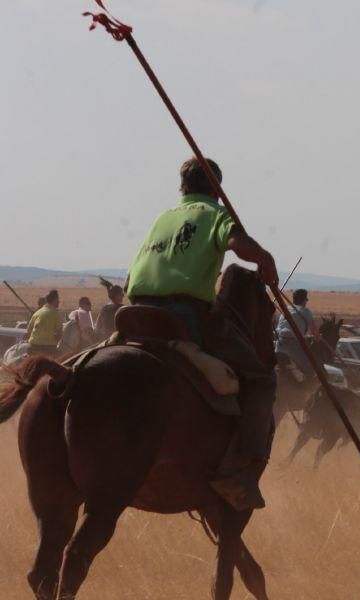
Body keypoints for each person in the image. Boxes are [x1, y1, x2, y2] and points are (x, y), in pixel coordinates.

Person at [125, 157, 278, 511]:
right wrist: (265, 258)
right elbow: (239, 245)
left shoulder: (162, 218)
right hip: (183, 315)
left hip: (134, 314)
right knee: (261, 378)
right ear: (216, 189)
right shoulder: (215, 214)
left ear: (183, 187)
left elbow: (130, 279)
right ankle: (241, 470)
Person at [275, 289, 318, 375]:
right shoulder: (306, 312)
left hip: (279, 344)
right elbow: (314, 332)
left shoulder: (285, 310)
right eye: (306, 299)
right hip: (293, 345)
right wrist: (318, 337)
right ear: (303, 300)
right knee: (309, 367)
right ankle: (305, 386)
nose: (306, 301)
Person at [25, 290, 63, 356]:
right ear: (55, 300)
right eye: (58, 300)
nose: (59, 302)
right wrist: (55, 341)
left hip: (33, 346)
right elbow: (59, 334)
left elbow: (29, 330)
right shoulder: (56, 314)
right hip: (48, 348)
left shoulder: (37, 313)